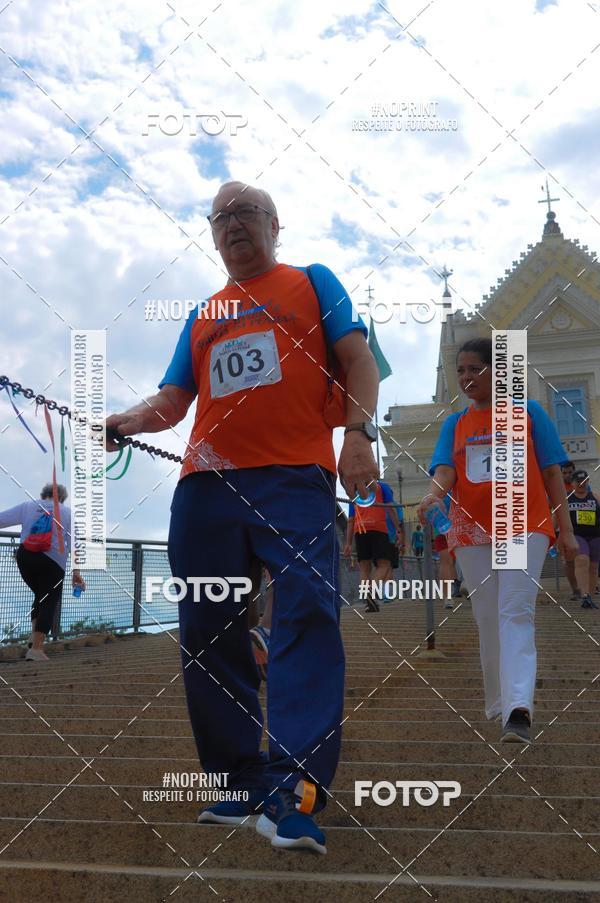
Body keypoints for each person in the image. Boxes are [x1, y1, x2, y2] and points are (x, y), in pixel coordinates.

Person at [105, 180, 380, 855]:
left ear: (275, 224)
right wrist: (125, 420)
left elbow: (358, 361)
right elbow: (173, 400)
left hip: (295, 479)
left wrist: (358, 434)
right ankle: (237, 779)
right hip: (206, 488)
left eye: (246, 212)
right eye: (219, 216)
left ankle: (294, 789)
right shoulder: (202, 314)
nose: (232, 224)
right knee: (208, 627)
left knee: (306, 614)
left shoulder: (313, 282)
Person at [418, 337, 578, 744]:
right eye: (461, 371)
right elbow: (445, 470)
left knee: (515, 611)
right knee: (487, 616)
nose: (466, 377)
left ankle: (518, 709)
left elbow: (552, 473)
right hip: (470, 530)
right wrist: (433, 495)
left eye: (476, 369)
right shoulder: (455, 423)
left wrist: (567, 530)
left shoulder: (530, 412)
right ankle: (499, 702)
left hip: (524, 523)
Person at [0, 484, 85, 660]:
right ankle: (36, 649)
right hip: (53, 562)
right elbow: (75, 544)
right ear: (62, 497)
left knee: (40, 596)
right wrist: (76, 571)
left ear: (43, 494)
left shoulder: (27, 506)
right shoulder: (67, 513)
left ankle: (34, 636)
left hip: (26, 558)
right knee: (49, 601)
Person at [344, 480, 401, 612]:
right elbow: (390, 507)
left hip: (360, 530)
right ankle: (371, 591)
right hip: (378, 528)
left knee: (364, 569)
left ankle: (368, 602)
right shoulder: (383, 487)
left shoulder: (355, 491)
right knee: (384, 564)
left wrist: (348, 543)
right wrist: (398, 529)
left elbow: (351, 520)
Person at [567, 469, 600, 610]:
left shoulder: (596, 497)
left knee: (593, 566)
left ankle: (589, 598)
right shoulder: (567, 499)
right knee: (582, 560)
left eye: (584, 481)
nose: (582, 484)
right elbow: (556, 518)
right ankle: (584, 595)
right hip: (577, 535)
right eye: (578, 481)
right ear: (572, 483)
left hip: (595, 535)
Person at [559, 461, 581, 601]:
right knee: (568, 561)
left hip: (581, 527)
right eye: (565, 473)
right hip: (562, 528)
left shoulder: (581, 486)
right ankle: (575, 589)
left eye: (570, 472)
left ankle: (589, 586)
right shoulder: (556, 486)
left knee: (586, 558)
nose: (567, 475)